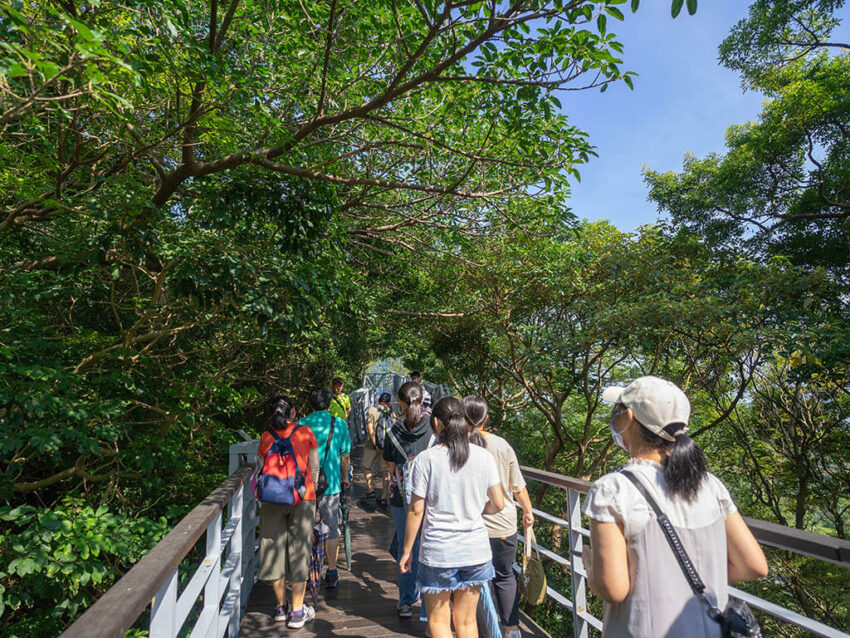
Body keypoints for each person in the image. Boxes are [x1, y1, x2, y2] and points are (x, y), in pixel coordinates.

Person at [583, 376, 768, 637]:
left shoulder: (613, 489)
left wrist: (591, 569)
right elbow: (754, 566)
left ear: (628, 418)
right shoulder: (710, 485)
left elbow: (614, 589)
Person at [400, 396, 504, 638]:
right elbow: (498, 503)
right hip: (475, 551)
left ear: (436, 422)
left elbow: (416, 510)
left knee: (439, 621)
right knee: (467, 623)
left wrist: (407, 551)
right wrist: (476, 510)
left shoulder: (426, 460)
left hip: (439, 553)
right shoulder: (483, 457)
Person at [463, 395, 534, 638]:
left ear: (462, 418)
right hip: (503, 525)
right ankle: (512, 629)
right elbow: (517, 486)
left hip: (471, 526)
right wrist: (528, 510)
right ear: (486, 417)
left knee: (473, 580)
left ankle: (474, 627)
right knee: (504, 577)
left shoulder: (457, 446)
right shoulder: (502, 445)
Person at [257, 396, 319, 628]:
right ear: (293, 412)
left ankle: (280, 608)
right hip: (302, 498)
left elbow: (261, 467)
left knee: (273, 549)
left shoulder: (265, 437)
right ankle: (296, 612)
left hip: (271, 500)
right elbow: (314, 466)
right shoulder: (305, 432)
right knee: (299, 551)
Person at [382, 381, 435, 618]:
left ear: (400, 403)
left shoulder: (392, 432)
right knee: (427, 548)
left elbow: (390, 468)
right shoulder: (434, 430)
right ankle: (428, 606)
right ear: (422, 400)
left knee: (407, 545)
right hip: (430, 497)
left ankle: (405, 602)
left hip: (400, 497)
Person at [300, 386, 352, 589]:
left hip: (306, 486)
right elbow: (345, 455)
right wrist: (345, 478)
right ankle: (331, 571)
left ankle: (306, 571)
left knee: (305, 528)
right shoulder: (339, 424)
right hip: (330, 484)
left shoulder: (302, 424)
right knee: (332, 529)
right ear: (330, 404)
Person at [361, 391, 392, 506]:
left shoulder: (372, 410)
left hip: (371, 445)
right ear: (388, 403)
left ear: (379, 401)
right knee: (385, 471)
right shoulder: (392, 413)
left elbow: (370, 429)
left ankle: (370, 489)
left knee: (366, 467)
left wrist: (375, 444)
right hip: (386, 447)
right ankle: (384, 496)